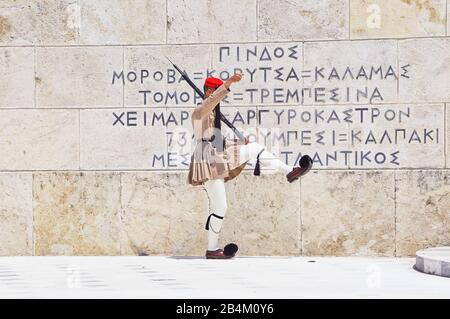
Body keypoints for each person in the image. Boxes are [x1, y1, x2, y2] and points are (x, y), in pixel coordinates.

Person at [187, 73, 312, 259]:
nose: (218, 96)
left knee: (255, 148)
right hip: (207, 161)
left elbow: (216, 137)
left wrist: (238, 142)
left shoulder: (212, 113)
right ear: (209, 91)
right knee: (220, 207)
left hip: (219, 155)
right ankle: (212, 249)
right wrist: (227, 84)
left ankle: (290, 172)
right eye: (215, 91)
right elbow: (209, 108)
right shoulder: (200, 112)